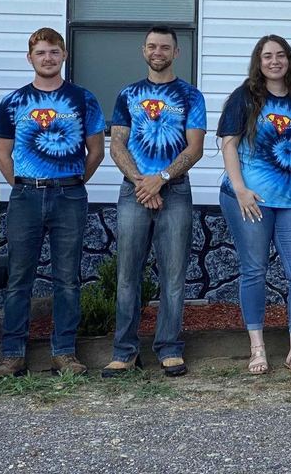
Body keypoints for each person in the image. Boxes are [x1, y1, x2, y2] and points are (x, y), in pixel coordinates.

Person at [0, 27, 105, 377]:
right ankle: (12, 355)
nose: (48, 58)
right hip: (25, 196)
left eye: (54, 52)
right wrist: (24, 185)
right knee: (18, 278)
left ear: (64, 55)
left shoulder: (82, 99)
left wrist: (72, 182)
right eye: (40, 52)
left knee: (67, 279)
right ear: (30, 58)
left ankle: (64, 354)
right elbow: (1, 153)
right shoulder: (14, 102)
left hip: (69, 195)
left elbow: (96, 152)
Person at [103, 26, 206, 379]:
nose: (157, 51)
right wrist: (141, 182)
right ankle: (124, 351)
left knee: (173, 276)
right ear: (143, 50)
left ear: (176, 52)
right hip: (133, 192)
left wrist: (160, 179)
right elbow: (117, 143)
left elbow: (195, 148)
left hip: (174, 192)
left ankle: (170, 348)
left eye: (164, 47)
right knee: (127, 275)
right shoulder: (127, 94)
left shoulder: (191, 96)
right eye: (151, 46)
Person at [216, 35, 291, 376]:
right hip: (250, 200)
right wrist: (240, 189)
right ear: (258, 62)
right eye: (267, 56)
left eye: (280, 55)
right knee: (254, 270)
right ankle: (257, 348)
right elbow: (229, 145)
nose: (274, 61)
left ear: (289, 60)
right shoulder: (244, 97)